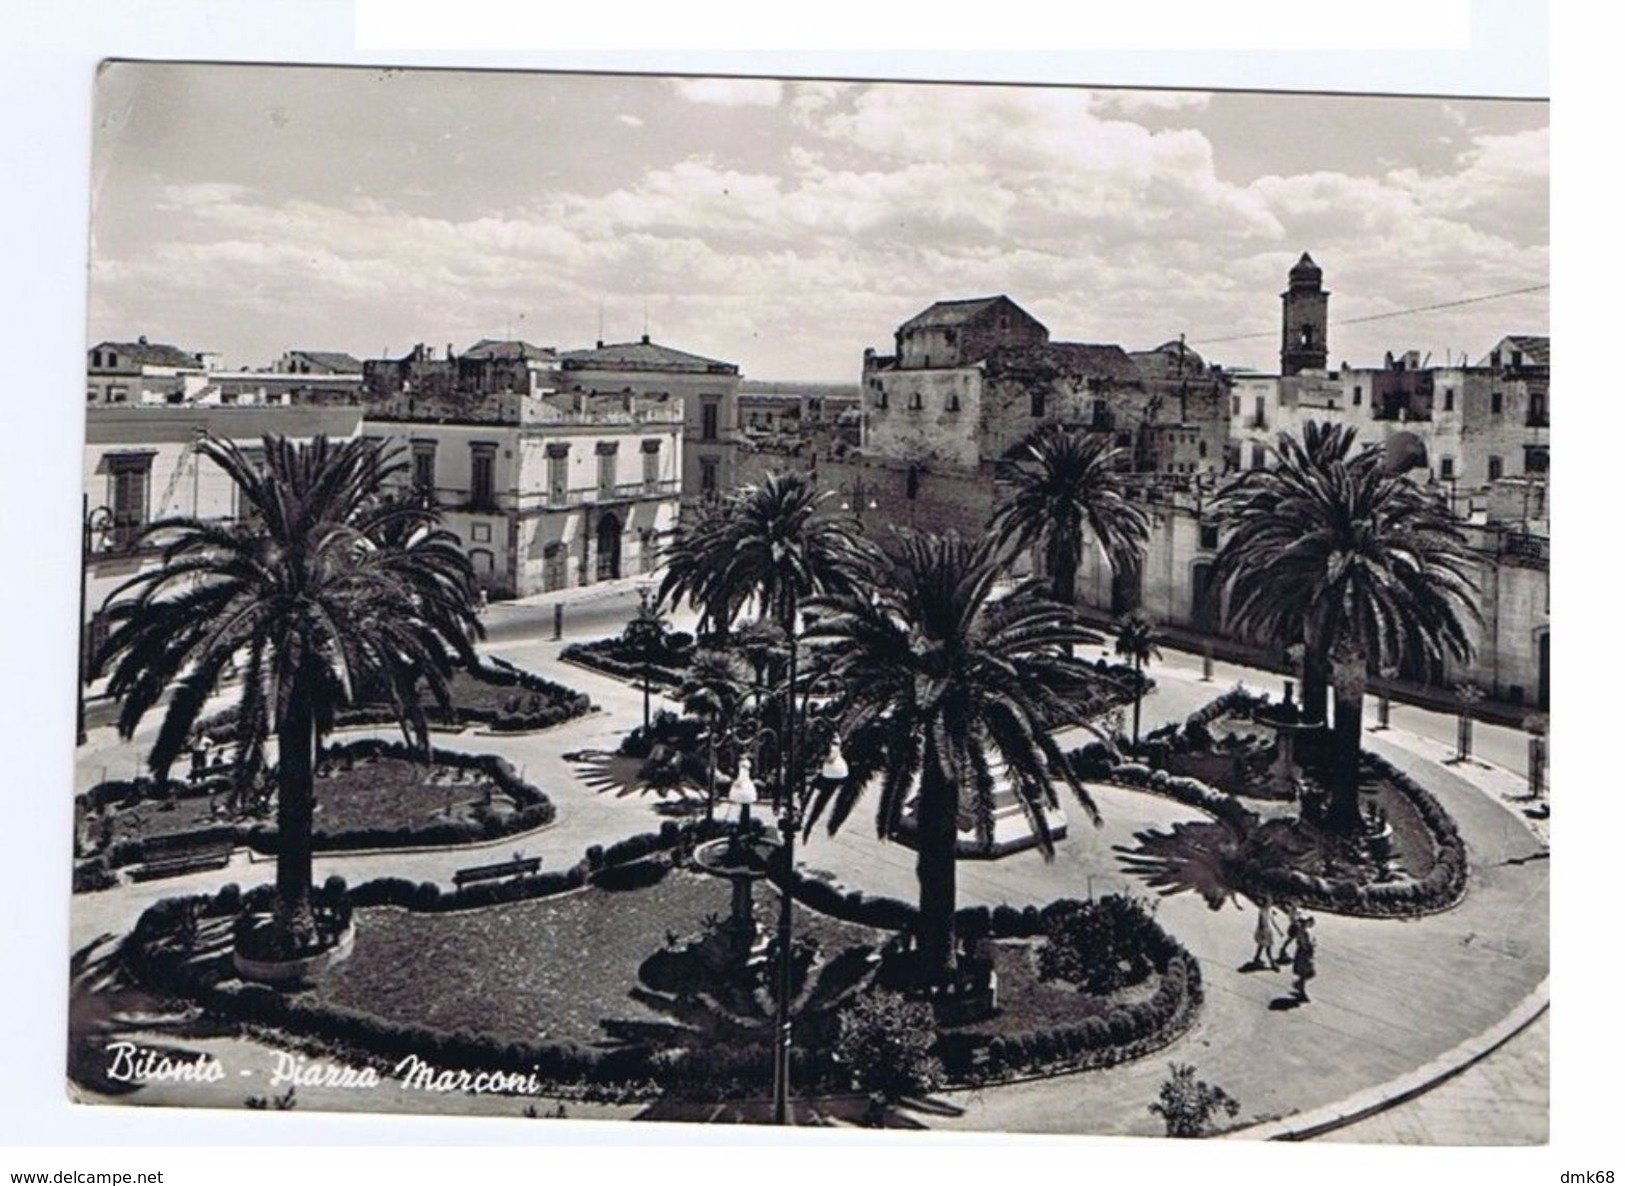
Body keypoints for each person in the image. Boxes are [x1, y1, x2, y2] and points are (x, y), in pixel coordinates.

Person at [1291, 915, 1318, 1001]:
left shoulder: (1302, 930)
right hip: (1304, 954)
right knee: (1306, 973)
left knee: (1308, 973)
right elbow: (1305, 943)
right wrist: (1312, 945)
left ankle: (1299, 986)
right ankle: (1301, 991)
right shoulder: (1305, 932)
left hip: (1302, 953)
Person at [1250, 897, 1280, 971]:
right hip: (1264, 932)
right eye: (1270, 902)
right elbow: (1262, 923)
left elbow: (1270, 919)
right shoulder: (1263, 912)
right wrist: (1263, 934)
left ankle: (1256, 958)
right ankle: (1273, 963)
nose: (1271, 904)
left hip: (1266, 931)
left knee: (1261, 946)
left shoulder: (1266, 910)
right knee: (1268, 947)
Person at [1276, 902, 1305, 967]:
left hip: (1295, 926)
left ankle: (1283, 949)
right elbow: (1294, 919)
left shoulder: (1295, 911)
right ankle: (1284, 950)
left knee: (1292, 939)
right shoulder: (1293, 911)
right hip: (1294, 927)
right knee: (1293, 939)